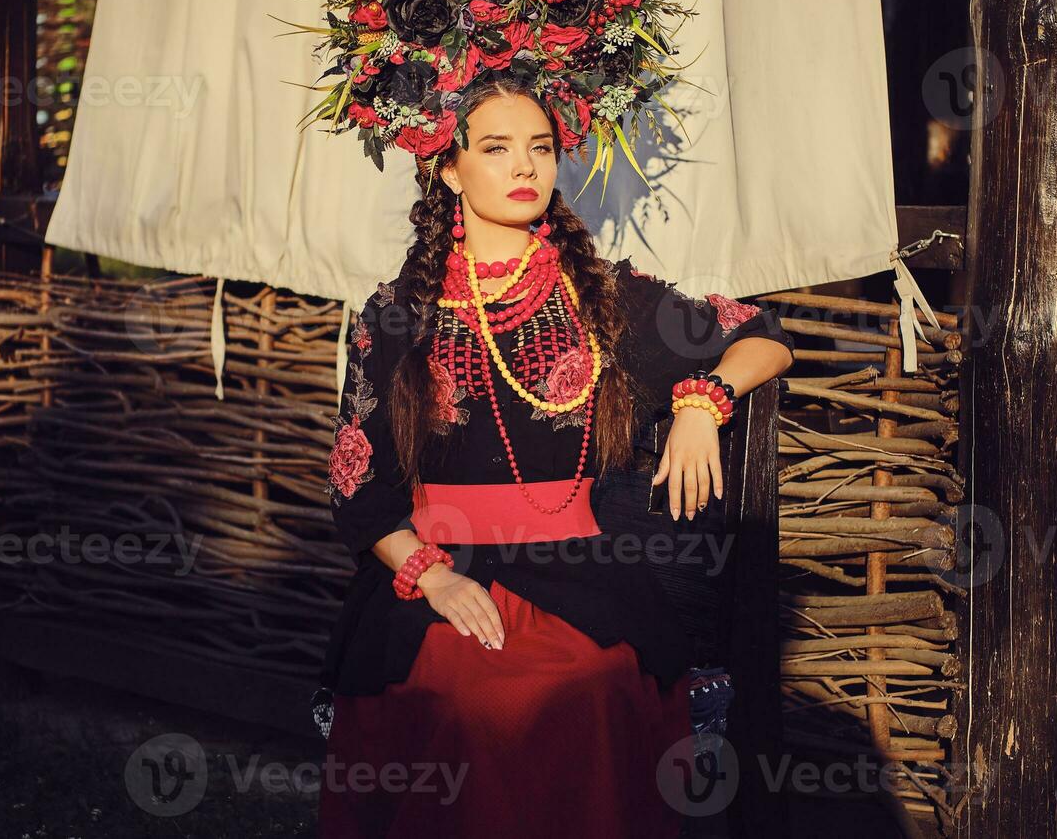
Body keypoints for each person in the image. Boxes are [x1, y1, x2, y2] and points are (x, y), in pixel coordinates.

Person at [314, 75, 794, 837]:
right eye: (497, 149)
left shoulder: (602, 297)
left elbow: (762, 335)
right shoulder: (395, 314)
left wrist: (705, 399)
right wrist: (430, 576)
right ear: (449, 168)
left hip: (582, 579)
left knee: (590, 688)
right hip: (439, 572)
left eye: (540, 148)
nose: (525, 168)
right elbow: (357, 485)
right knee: (476, 705)